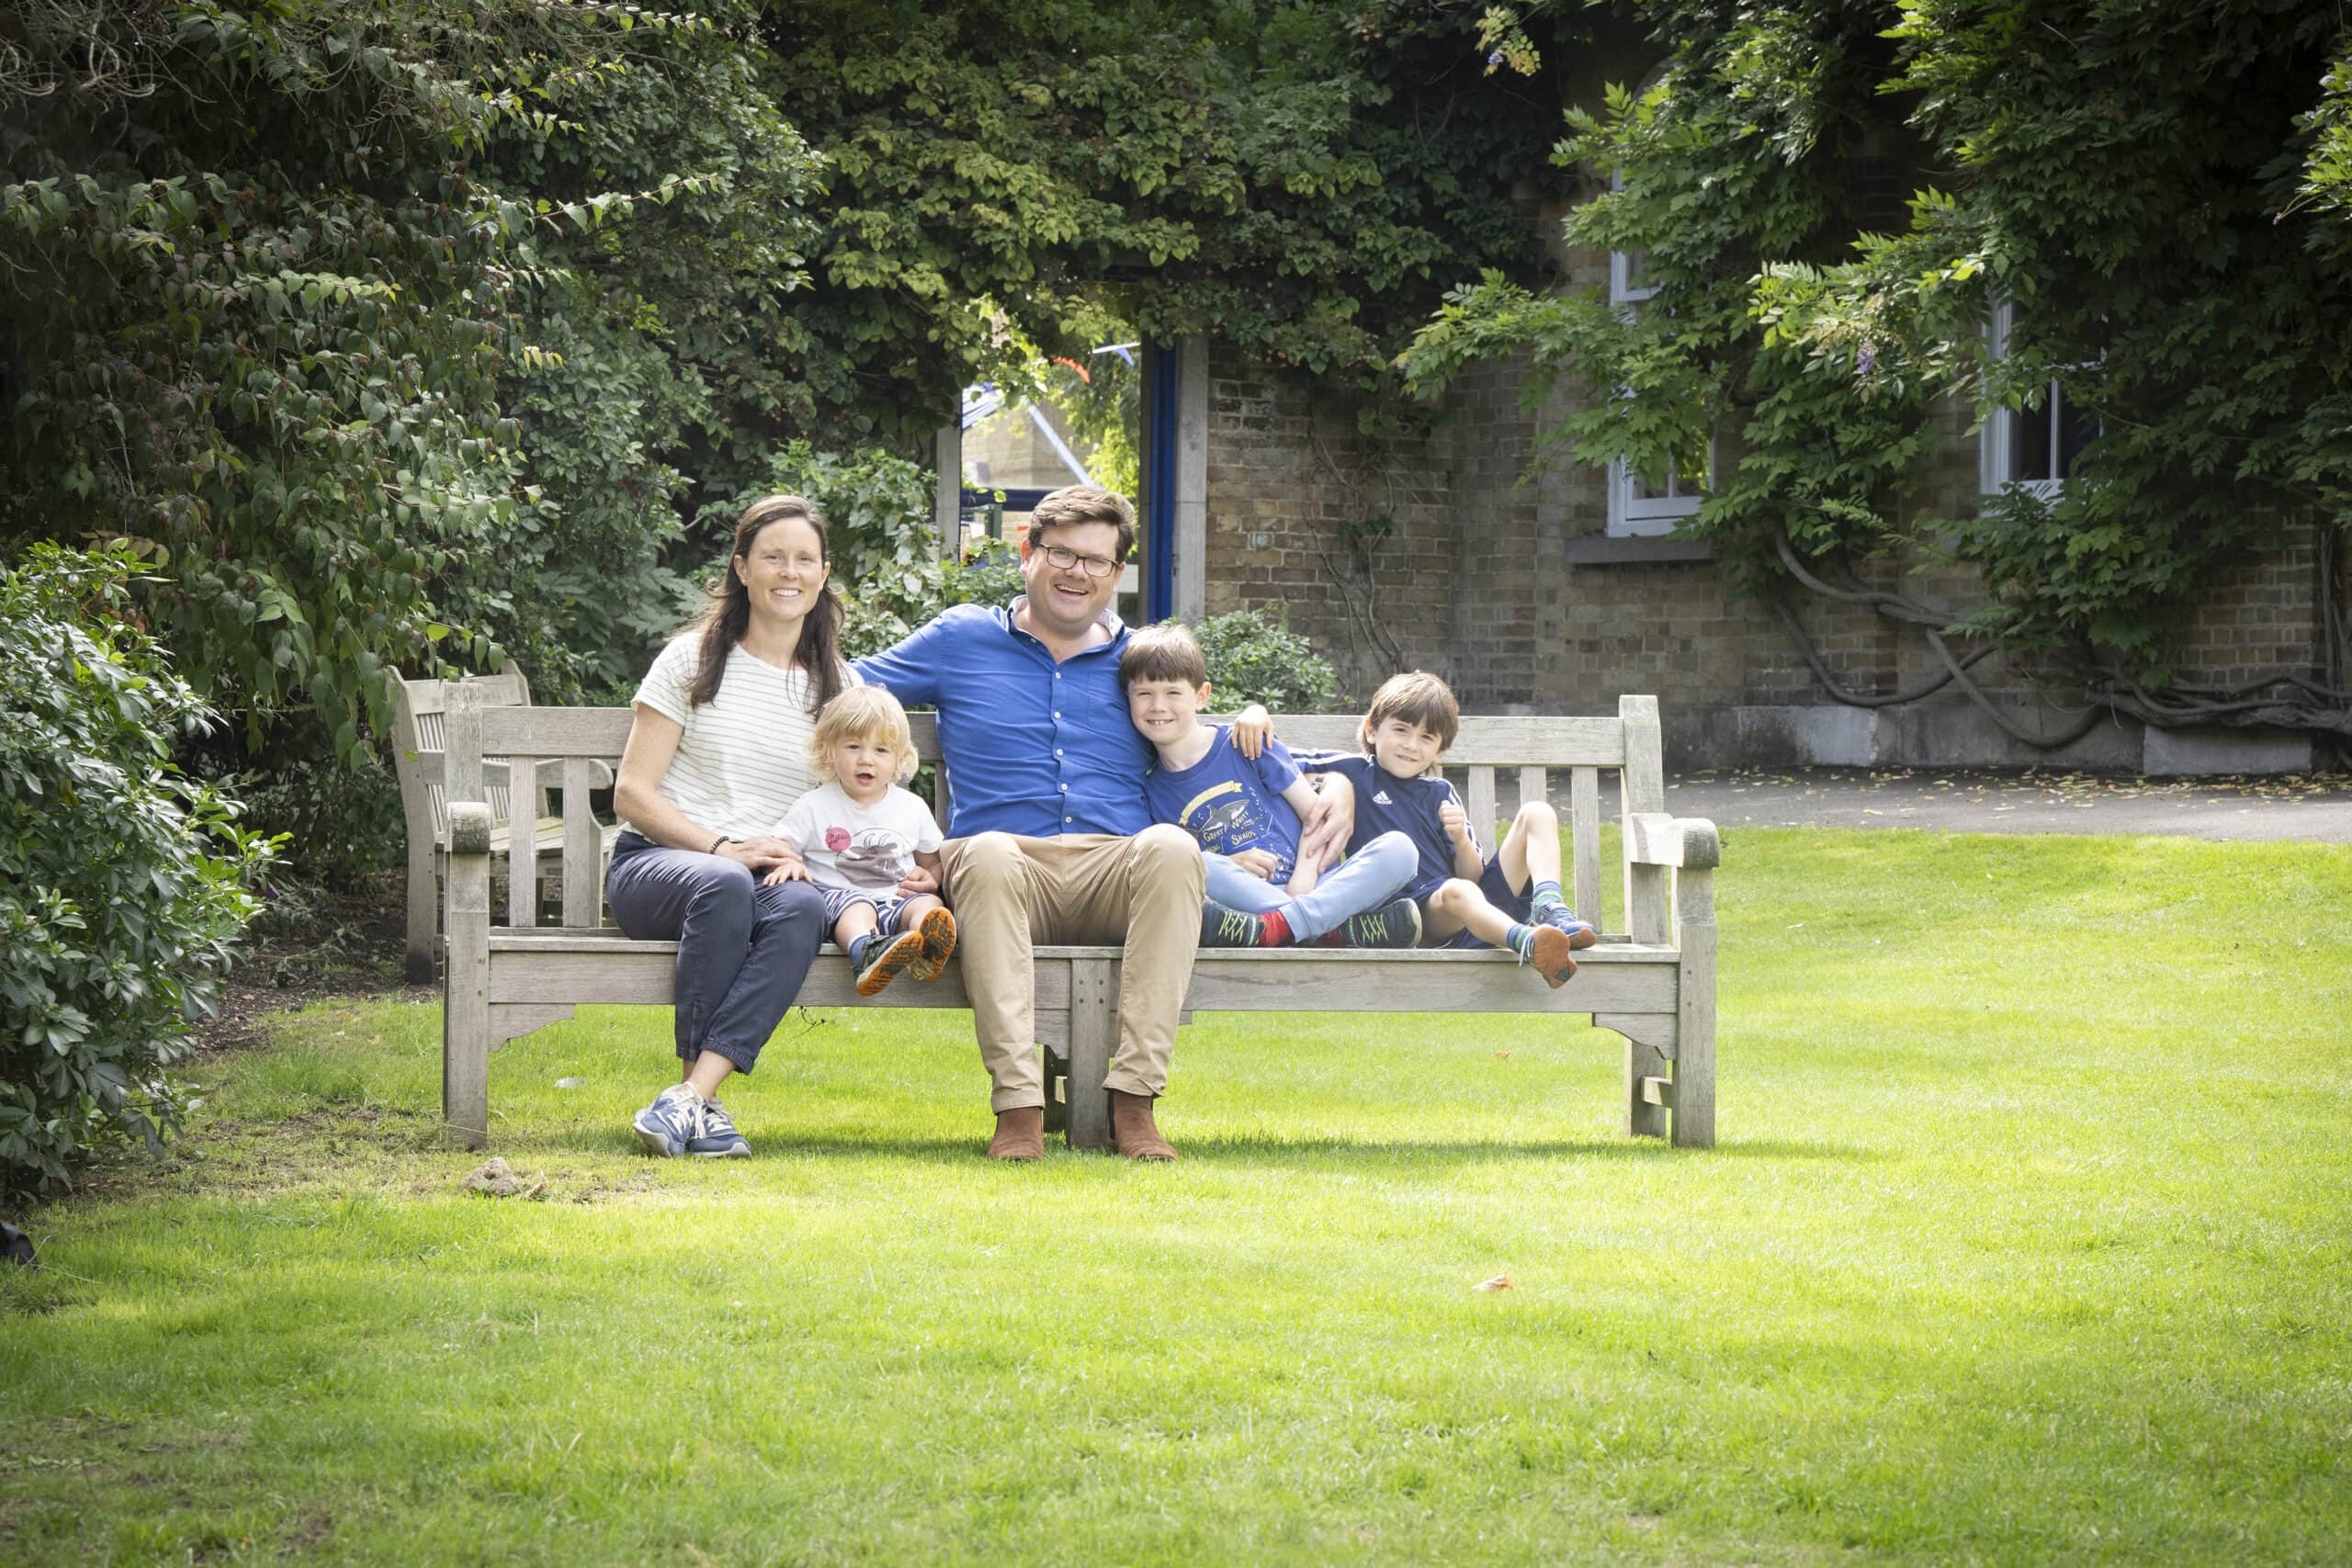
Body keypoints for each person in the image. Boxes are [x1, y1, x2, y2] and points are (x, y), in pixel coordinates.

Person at [854, 485, 1349, 1162]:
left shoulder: (1140, 661)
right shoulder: (959, 638)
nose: (1075, 572)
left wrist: (1324, 769)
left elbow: (1209, 733)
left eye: (1095, 560)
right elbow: (846, 685)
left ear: (1117, 575)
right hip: (1003, 870)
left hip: (1112, 871)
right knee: (992, 852)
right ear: (1028, 551)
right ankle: (1019, 1108)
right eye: (1061, 553)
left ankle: (1135, 1103)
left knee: (1174, 849)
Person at [605, 494, 860, 1158]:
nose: (789, 571)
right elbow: (631, 793)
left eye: (805, 559)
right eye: (772, 556)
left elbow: (847, 806)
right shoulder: (690, 661)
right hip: (657, 866)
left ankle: (693, 1097)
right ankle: (699, 1104)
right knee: (725, 881)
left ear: (824, 573)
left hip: (762, 876)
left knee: (802, 905)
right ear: (742, 567)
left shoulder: (838, 685)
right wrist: (723, 846)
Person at [1121, 621, 1420, 949]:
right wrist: (1232, 865)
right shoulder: (1152, 791)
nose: (1158, 706)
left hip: (1315, 886)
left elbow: (1315, 817)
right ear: (1129, 700)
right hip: (1247, 902)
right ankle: (1331, 930)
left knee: (1400, 850)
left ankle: (1280, 927)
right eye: (1144, 694)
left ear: (1201, 696)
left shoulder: (1246, 742)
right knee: (1195, 863)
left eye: (1173, 693)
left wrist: (1302, 884)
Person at [1297, 671, 1598, 987]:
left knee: (1537, 812)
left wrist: (1460, 840)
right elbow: (1278, 763)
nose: (1411, 745)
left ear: (1439, 749)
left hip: (1476, 907)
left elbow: (1474, 878)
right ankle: (1529, 943)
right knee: (1458, 892)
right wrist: (1332, 784)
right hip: (1416, 918)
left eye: (1426, 737)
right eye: (1401, 730)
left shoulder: (1440, 792)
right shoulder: (1355, 773)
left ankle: (1549, 908)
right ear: (1372, 730)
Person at [765, 685, 956, 998]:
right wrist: (789, 861)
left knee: (928, 905)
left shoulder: (911, 807)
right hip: (841, 901)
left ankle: (927, 946)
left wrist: (931, 879)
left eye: (881, 751)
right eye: (853, 747)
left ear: (898, 761)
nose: (866, 760)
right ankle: (865, 952)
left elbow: (932, 862)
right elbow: (779, 845)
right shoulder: (814, 805)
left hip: (897, 901)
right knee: (857, 907)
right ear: (830, 752)